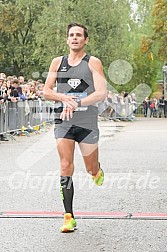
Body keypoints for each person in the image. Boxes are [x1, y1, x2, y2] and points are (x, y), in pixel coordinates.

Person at [44, 23, 107, 233]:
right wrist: (63, 98)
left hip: (87, 122)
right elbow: (46, 91)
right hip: (64, 121)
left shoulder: (93, 62)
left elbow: (101, 93)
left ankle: (96, 170)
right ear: (67, 39)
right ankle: (68, 216)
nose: (74, 38)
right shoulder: (57, 62)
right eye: (71, 35)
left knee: (90, 169)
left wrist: (78, 103)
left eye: (79, 35)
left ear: (85, 40)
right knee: (65, 165)